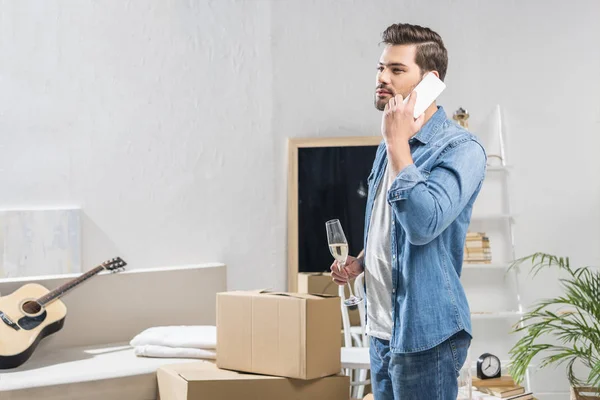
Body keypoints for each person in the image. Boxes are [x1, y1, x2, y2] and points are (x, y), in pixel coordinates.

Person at [331, 23, 487, 400]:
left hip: (425, 335)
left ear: (430, 81)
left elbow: (422, 225)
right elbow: (392, 228)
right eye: (381, 68)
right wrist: (363, 262)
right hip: (383, 328)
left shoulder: (461, 149)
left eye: (397, 70)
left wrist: (397, 143)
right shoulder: (390, 142)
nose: (382, 78)